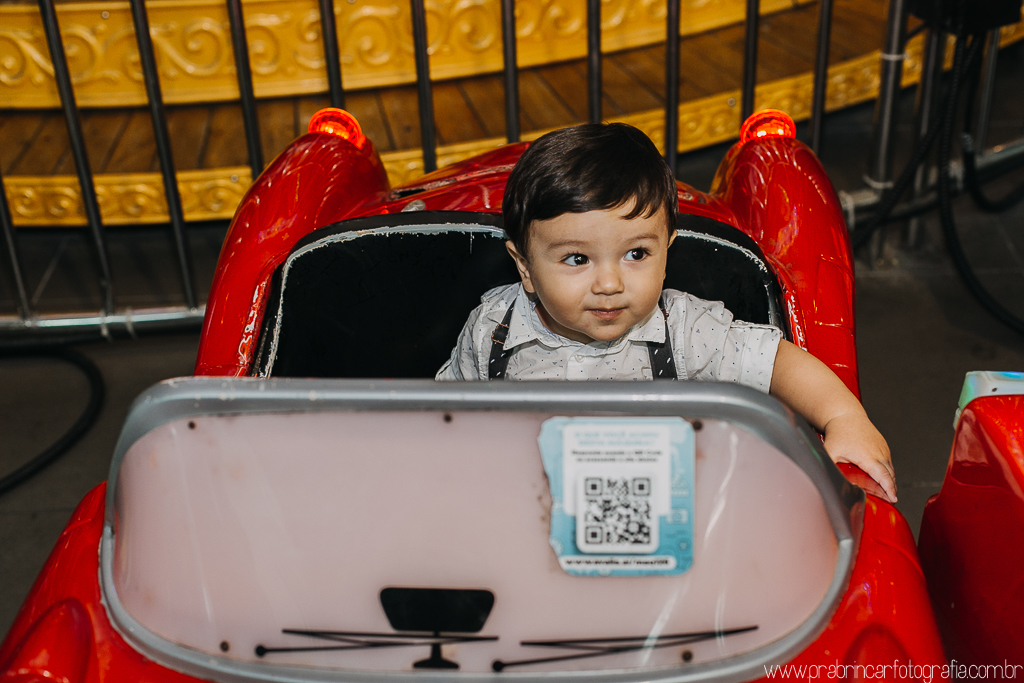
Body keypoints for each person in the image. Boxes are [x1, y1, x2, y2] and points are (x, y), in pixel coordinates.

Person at [436, 122, 897, 503]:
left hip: (665, 515)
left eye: (636, 254)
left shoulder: (683, 328)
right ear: (526, 268)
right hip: (524, 510)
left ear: (667, 250)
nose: (610, 284)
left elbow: (777, 362)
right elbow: (442, 421)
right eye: (577, 259)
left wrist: (843, 419)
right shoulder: (492, 330)